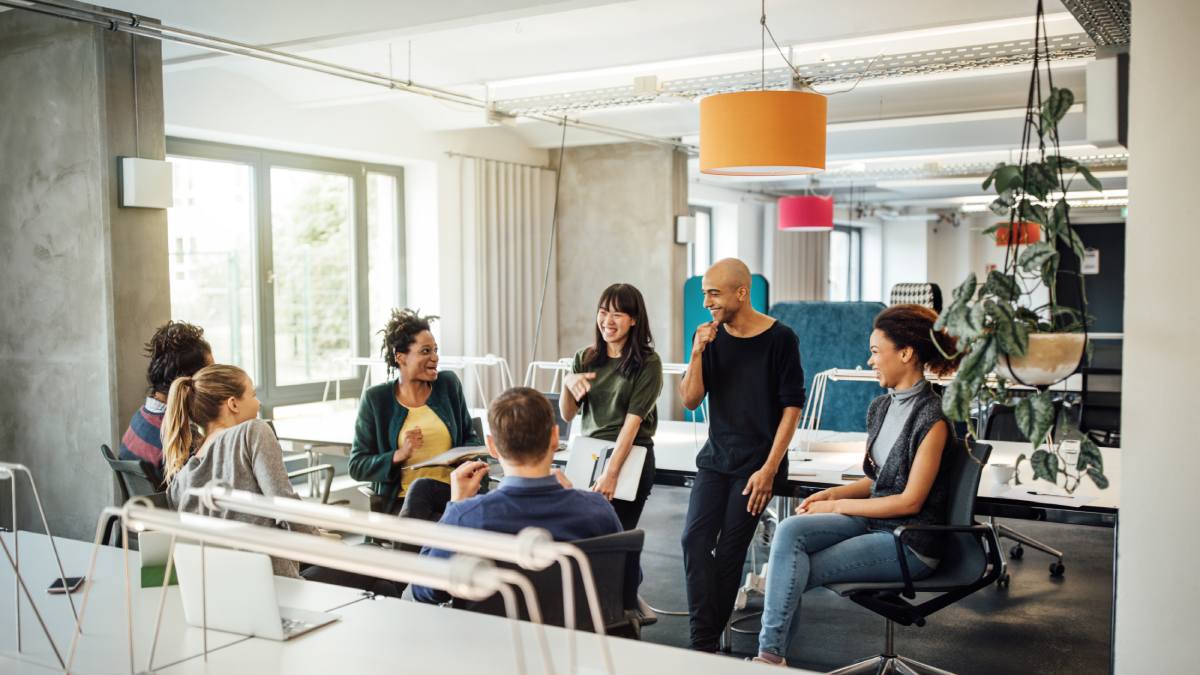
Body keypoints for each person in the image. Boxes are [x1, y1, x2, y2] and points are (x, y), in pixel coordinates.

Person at [752, 304, 961, 666]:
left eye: (877, 351)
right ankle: (771, 657)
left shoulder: (934, 418)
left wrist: (836, 506)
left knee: (794, 568)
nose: (869, 361)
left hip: (909, 541)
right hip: (875, 522)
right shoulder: (880, 407)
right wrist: (833, 493)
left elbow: (910, 501)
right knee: (790, 531)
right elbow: (878, 481)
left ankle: (770, 658)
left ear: (906, 353)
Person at [678, 258, 806, 653]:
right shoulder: (712, 338)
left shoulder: (780, 338)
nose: (707, 302)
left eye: (713, 293)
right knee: (693, 541)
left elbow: (791, 408)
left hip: (757, 466)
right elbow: (690, 399)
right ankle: (706, 643)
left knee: (731, 552)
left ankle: (702, 646)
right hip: (716, 458)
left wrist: (769, 469)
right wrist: (697, 353)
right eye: (704, 294)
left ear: (741, 292)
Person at [412, 387, 623, 604]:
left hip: (490, 636)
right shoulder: (598, 511)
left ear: (492, 446)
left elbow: (424, 591)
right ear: (554, 438)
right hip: (573, 635)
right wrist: (580, 502)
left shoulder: (465, 518)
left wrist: (455, 506)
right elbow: (626, 584)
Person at [163, 364, 319, 578]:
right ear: (233, 404)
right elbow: (284, 504)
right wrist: (323, 542)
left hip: (222, 594)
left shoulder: (179, 481)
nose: (258, 402)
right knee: (373, 569)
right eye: (253, 394)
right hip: (277, 588)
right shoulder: (253, 432)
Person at [348, 309, 482, 524]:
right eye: (425, 351)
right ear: (400, 357)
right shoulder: (376, 400)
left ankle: (405, 553)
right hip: (402, 502)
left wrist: (460, 455)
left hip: (450, 494)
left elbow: (471, 439)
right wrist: (399, 455)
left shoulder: (448, 385)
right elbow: (357, 465)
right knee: (442, 527)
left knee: (437, 526)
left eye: (436, 350)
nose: (435, 357)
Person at [560, 283, 663, 531]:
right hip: (589, 452)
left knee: (617, 539)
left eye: (617, 314)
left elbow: (631, 425)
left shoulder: (648, 363)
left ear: (634, 320)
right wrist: (567, 382)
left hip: (629, 456)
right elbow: (567, 414)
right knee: (584, 540)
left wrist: (611, 473)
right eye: (603, 311)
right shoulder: (584, 358)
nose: (608, 320)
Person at [119, 320, 212, 486]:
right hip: (174, 511)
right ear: (186, 382)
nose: (213, 381)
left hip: (144, 510)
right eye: (209, 375)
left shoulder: (140, 418)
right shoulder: (180, 438)